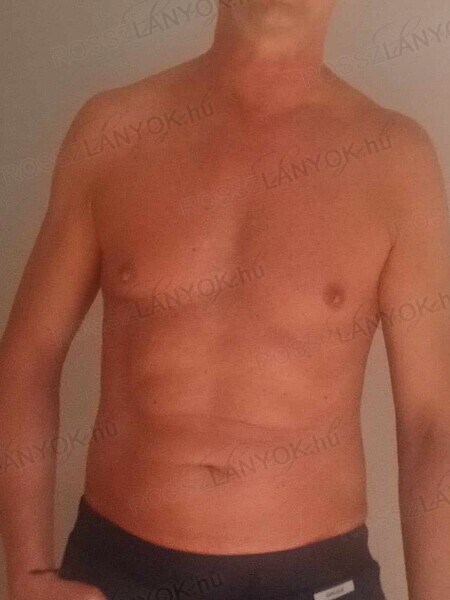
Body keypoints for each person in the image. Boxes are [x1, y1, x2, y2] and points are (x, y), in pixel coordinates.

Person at [1, 1, 450, 598]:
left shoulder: (397, 161)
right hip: (117, 574)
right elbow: (29, 355)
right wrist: (28, 573)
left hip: (313, 579)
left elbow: (431, 423)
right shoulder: (113, 129)